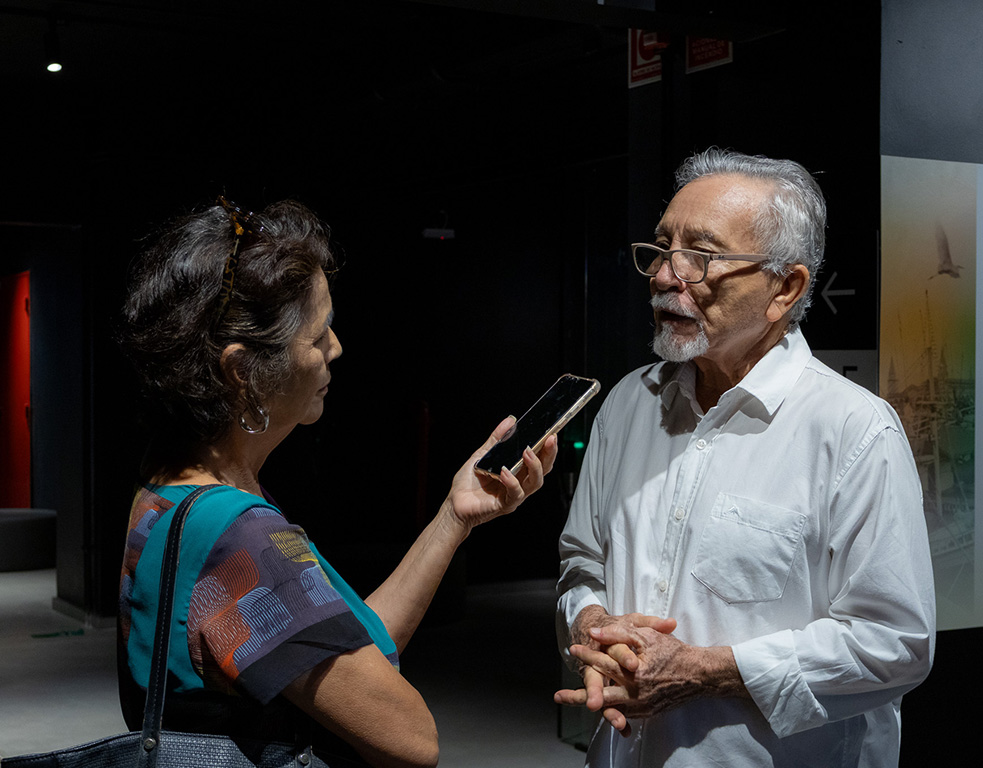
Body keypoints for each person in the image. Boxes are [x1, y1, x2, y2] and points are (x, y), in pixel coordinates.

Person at [116, 196, 557, 768]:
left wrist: (453, 518)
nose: (336, 348)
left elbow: (351, 646)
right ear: (242, 372)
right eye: (319, 333)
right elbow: (412, 739)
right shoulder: (236, 539)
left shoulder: (172, 494)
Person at [554, 148, 935, 767]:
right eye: (660, 249)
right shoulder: (629, 403)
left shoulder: (852, 431)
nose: (663, 275)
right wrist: (589, 621)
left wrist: (708, 671)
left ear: (783, 287)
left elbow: (895, 642)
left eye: (700, 256)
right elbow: (582, 558)